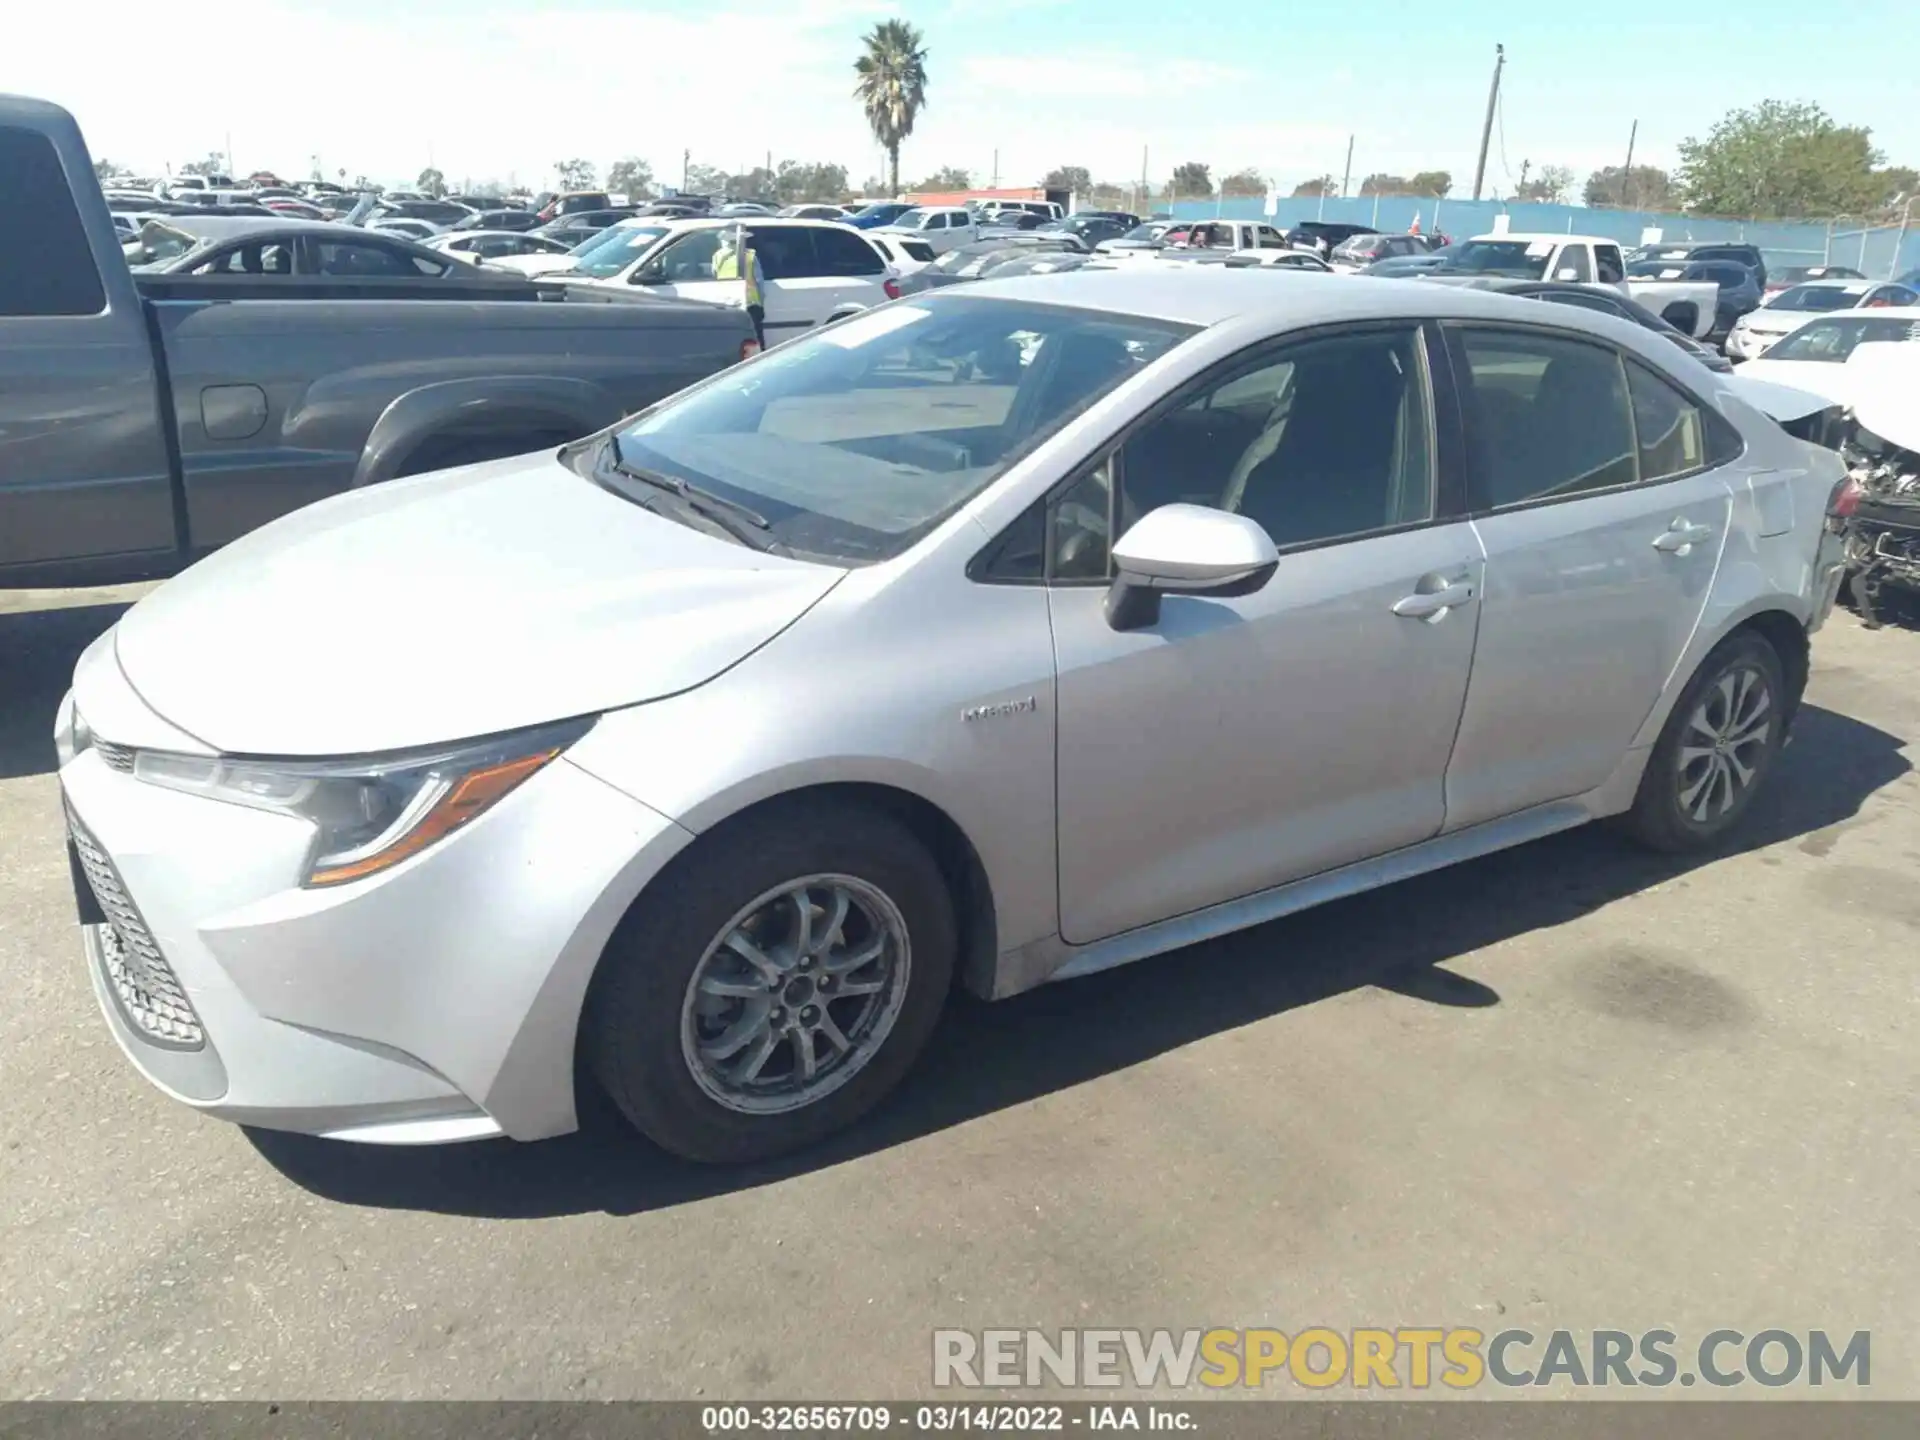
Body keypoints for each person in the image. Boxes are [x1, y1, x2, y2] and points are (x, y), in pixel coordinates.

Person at [712, 226, 765, 346]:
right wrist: (761, 304)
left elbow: (714, 276)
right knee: (755, 340)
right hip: (751, 305)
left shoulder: (717, 256)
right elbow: (759, 282)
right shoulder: (750, 256)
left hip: (727, 304)